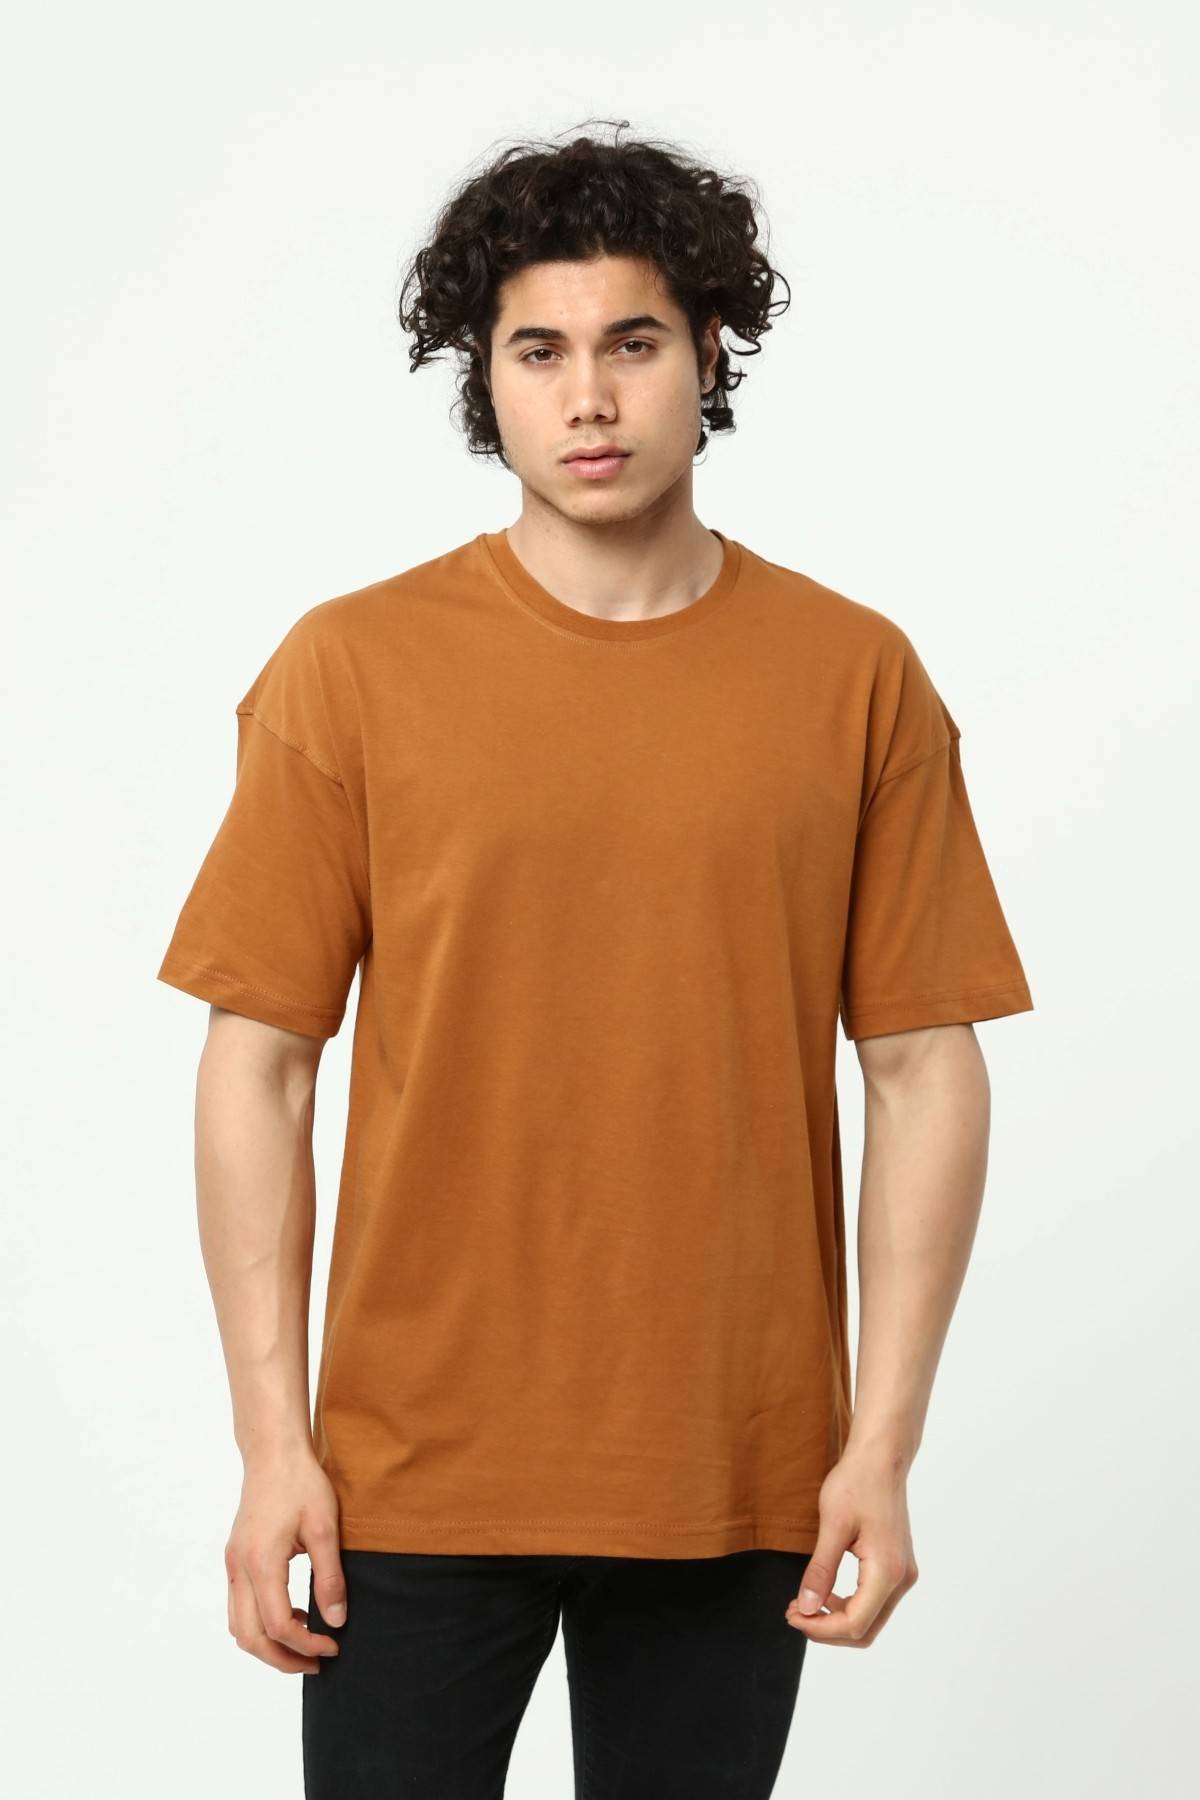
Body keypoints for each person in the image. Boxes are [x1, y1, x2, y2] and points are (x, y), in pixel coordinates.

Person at [156, 120, 1035, 1799]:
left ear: (707, 355)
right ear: (482, 380)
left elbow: (927, 1066)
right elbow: (256, 1062)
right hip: (408, 1473)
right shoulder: (350, 671)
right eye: (537, 352)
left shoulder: (854, 677)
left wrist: (882, 1444)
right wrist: (273, 1447)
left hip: (731, 1464)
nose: (589, 399)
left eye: (632, 344)